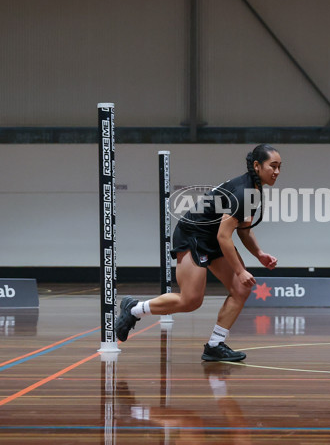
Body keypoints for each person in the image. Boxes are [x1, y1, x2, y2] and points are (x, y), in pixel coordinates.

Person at [115, 144, 281, 362]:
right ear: (257, 166)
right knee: (191, 300)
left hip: (212, 237)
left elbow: (243, 229)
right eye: (273, 166)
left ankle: (215, 345)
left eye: (280, 167)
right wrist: (240, 270)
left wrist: (258, 253)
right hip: (193, 235)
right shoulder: (244, 192)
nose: (277, 172)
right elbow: (224, 236)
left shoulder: (254, 190)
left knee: (241, 289)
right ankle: (135, 309)